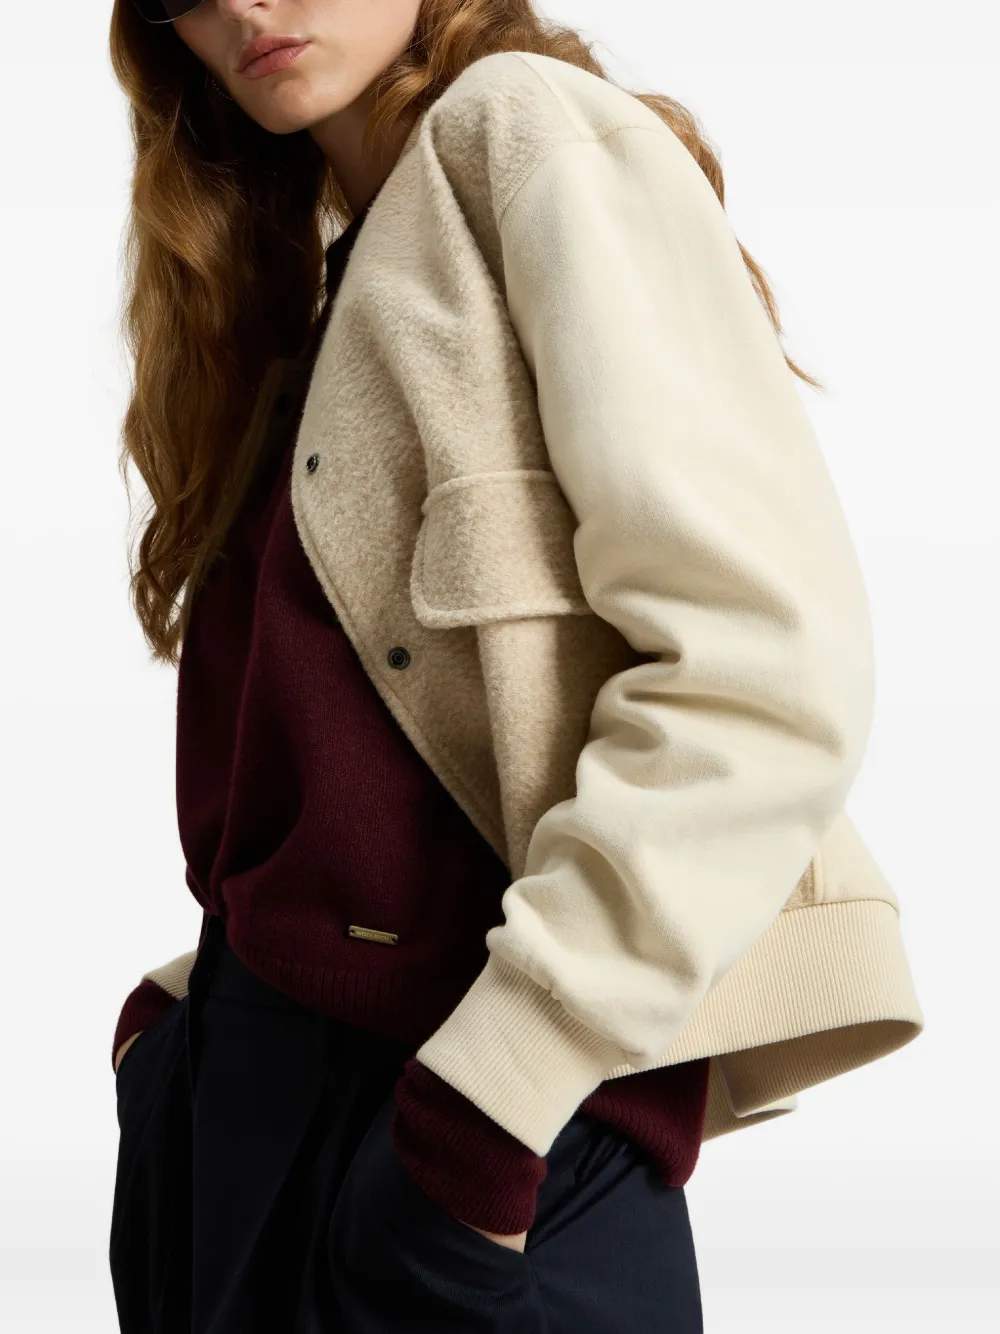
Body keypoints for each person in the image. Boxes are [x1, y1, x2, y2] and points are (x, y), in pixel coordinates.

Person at [105, 2, 924, 1331]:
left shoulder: (523, 136)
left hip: (476, 1148)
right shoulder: (316, 283)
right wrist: (185, 1022)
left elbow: (761, 673)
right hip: (244, 1130)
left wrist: (484, 1121)